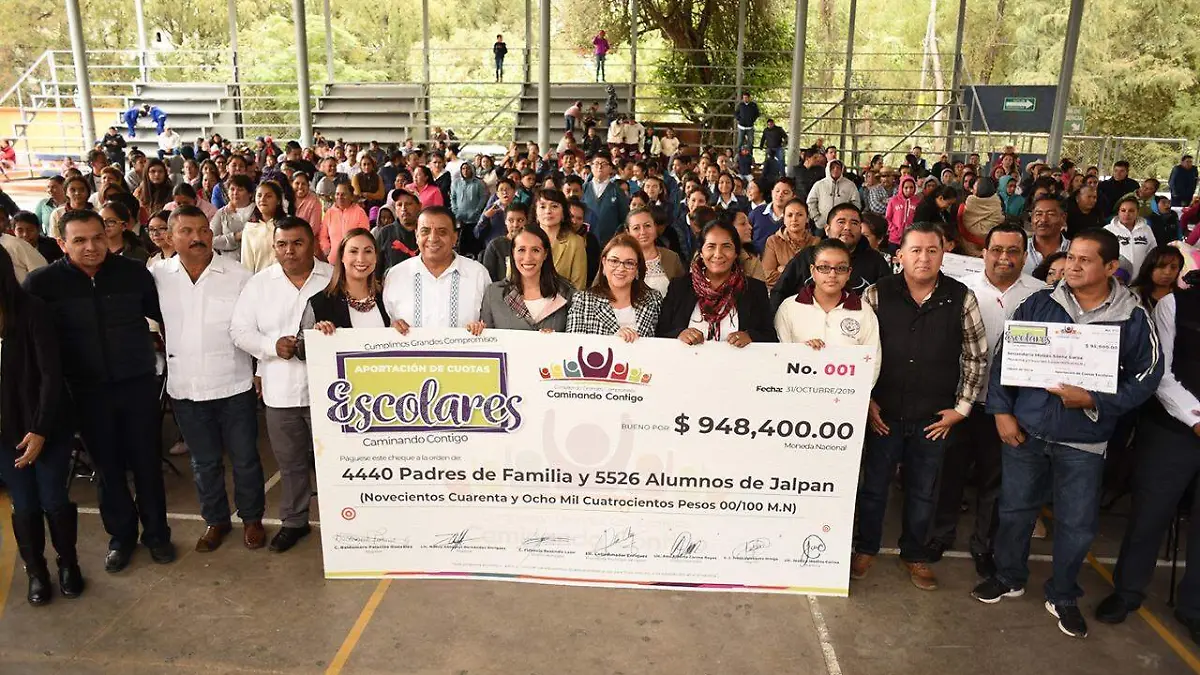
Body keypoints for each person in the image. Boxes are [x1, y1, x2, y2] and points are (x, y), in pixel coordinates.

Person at [974, 229, 1164, 639]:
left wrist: (1095, 399)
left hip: (1084, 440)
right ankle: (1008, 576)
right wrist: (1002, 412)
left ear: (1110, 267)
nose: (1072, 267)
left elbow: (1148, 377)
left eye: (1084, 260)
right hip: (1027, 430)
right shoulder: (1040, 303)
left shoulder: (1132, 316)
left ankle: (1062, 594)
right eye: (1071, 257)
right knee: (1015, 510)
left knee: (1077, 524)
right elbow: (1005, 358)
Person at [25, 209, 174, 572]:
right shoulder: (42, 284)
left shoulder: (133, 273)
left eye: (97, 237)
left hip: (137, 385)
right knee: (107, 468)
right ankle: (121, 537)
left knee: (147, 464)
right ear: (61, 243)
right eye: (79, 240)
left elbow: (164, 319)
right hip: (85, 392)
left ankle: (157, 535)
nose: (91, 246)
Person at [851, 221, 989, 591]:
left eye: (932, 250)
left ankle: (914, 553)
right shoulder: (877, 294)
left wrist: (962, 408)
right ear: (899, 255)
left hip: (934, 418)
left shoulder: (961, 297)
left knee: (923, 490)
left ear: (944, 254)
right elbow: (858, 351)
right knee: (874, 487)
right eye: (915, 250)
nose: (924, 258)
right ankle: (865, 548)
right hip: (882, 414)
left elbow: (976, 356)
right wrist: (866, 400)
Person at [927, 224, 1044, 578]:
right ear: (984, 252)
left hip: (1009, 409)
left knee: (995, 482)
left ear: (1024, 256)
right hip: (961, 402)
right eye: (997, 250)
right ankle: (940, 534)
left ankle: (984, 545)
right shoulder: (961, 290)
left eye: (1013, 251)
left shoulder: (1041, 295)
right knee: (949, 474)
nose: (1004, 258)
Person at [151, 206, 266, 553]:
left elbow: (256, 327)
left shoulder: (238, 275)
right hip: (186, 387)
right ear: (170, 237)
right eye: (186, 231)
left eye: (203, 230)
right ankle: (215, 521)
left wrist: (259, 371)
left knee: (245, 458)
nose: (198, 237)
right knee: (204, 463)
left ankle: (252, 519)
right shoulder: (157, 276)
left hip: (234, 384)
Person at [1094, 270, 1200, 642]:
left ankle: (1194, 608)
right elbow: (1162, 374)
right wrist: (1196, 419)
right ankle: (1127, 592)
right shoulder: (1175, 304)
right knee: (1150, 514)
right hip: (1174, 429)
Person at [230, 217, 333, 553]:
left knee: (335, 463)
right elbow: (239, 331)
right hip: (281, 390)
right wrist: (271, 346)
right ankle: (294, 522)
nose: (290, 251)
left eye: (297, 243)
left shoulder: (333, 277)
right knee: (291, 464)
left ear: (312, 243)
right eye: (282, 244)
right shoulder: (259, 284)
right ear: (274, 247)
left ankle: (342, 523)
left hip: (330, 393)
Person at [0, 244, 81, 606]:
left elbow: (51, 374)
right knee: (24, 503)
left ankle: (68, 564)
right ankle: (36, 571)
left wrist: (40, 430)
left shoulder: (32, 310)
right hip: (4, 433)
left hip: (44, 425)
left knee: (53, 498)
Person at [656, 217, 775, 347]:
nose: (718, 254)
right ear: (701, 252)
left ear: (736, 253)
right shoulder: (680, 287)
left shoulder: (754, 289)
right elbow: (660, 333)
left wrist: (751, 337)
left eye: (726, 247)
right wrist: (679, 334)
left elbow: (770, 337)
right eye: (711, 247)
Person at [773, 237, 881, 375]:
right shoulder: (789, 308)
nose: (832, 274)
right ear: (812, 270)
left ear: (849, 273)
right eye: (824, 267)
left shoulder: (864, 311)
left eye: (841, 268)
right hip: (798, 386)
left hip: (848, 388)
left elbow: (873, 362)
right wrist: (803, 352)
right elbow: (780, 357)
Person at [383, 207, 491, 331]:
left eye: (442, 232)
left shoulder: (478, 274)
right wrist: (393, 329)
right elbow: (388, 322)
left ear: (454, 237)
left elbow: (490, 323)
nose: (433, 238)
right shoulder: (396, 276)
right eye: (425, 231)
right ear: (417, 235)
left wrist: (481, 329)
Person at [771, 203, 893, 308]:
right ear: (827, 229)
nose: (847, 227)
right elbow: (779, 292)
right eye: (841, 222)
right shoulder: (807, 256)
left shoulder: (876, 261)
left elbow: (888, 300)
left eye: (854, 223)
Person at [297, 228, 391, 352]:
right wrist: (315, 336)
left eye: (368, 251)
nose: (361, 259)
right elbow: (300, 351)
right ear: (342, 256)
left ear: (376, 257)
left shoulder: (388, 297)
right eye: (353, 251)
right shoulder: (320, 303)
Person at [477, 225, 576, 332]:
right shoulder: (493, 293)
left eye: (535, 250)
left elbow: (576, 338)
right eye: (521, 250)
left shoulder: (566, 292)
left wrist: (556, 339)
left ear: (545, 254)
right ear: (513, 253)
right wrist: (476, 330)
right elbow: (487, 338)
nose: (528, 258)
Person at [566, 233, 661, 340]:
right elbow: (573, 344)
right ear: (604, 263)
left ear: (637, 268)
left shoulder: (653, 300)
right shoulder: (583, 300)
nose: (621, 268)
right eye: (614, 261)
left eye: (629, 263)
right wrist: (614, 339)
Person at [534, 189, 588, 291]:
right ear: (535, 213)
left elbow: (578, 286)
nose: (548, 211)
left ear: (563, 213)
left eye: (554, 206)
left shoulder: (576, 242)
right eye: (542, 207)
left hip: (563, 300)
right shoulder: (523, 239)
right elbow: (512, 278)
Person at [627, 207, 684, 297]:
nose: (643, 232)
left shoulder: (672, 257)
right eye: (636, 228)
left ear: (655, 227)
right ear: (628, 232)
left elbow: (683, 294)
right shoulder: (620, 259)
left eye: (647, 226)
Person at [761, 199, 811, 291]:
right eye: (789, 215)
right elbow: (768, 276)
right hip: (781, 293)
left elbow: (817, 277)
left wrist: (784, 270)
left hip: (808, 294)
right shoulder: (773, 241)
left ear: (807, 218)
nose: (794, 219)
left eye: (799, 215)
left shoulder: (816, 242)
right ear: (783, 219)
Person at [582, 155, 630, 245]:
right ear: (591, 167)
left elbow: (624, 218)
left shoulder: (617, 191)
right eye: (596, 163)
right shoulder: (583, 189)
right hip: (585, 241)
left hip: (611, 242)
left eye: (604, 164)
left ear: (610, 168)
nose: (600, 167)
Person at [1105, 195, 1158, 275]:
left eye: (1131, 211)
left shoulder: (1146, 229)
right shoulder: (1108, 230)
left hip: (1141, 277)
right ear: (1118, 212)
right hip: (1116, 277)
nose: (1127, 214)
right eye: (1123, 210)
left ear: (1137, 212)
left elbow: (1153, 252)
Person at [321, 182, 371, 265]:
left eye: (343, 194)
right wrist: (326, 249)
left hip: (354, 261)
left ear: (351, 197)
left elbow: (364, 236)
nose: (340, 197)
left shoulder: (360, 212)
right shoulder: (329, 213)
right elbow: (323, 235)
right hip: (333, 261)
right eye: (337, 194)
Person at [242, 181, 287, 274]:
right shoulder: (250, 227)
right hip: (259, 280)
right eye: (259, 196)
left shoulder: (288, 224)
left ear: (278, 200)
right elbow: (247, 263)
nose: (262, 199)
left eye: (268, 196)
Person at [374, 190, 421, 276]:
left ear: (419, 206)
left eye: (408, 204)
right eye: (399, 205)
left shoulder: (427, 232)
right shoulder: (385, 233)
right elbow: (376, 267)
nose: (404, 208)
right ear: (395, 209)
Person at [806, 160, 862, 232]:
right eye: (832, 168)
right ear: (828, 169)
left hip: (842, 225)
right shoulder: (819, 184)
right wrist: (816, 217)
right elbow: (811, 202)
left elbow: (856, 204)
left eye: (838, 168)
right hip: (822, 224)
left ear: (842, 169)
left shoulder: (850, 185)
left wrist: (850, 219)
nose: (835, 170)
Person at [210, 174, 256, 263]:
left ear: (250, 193)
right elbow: (210, 240)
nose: (235, 193)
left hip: (255, 262)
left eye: (240, 190)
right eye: (232, 189)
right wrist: (235, 237)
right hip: (228, 263)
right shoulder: (222, 213)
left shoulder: (258, 212)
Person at [956, 178, 1005, 257]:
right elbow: (999, 219)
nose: (973, 187)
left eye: (975, 185)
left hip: (969, 246)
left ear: (980, 188)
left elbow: (961, 223)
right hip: (992, 245)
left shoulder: (969, 201)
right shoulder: (996, 201)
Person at [1129, 245, 1184, 309]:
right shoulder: (1132, 295)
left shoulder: (1183, 297)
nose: (1167, 272)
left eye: (1173, 267)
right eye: (1162, 266)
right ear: (1150, 268)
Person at [749, 178, 796, 253]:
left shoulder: (795, 218)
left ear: (793, 196)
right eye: (777, 191)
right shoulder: (756, 213)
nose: (780, 194)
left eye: (785, 193)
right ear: (772, 192)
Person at [884, 175, 919, 251]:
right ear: (901, 188)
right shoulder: (893, 200)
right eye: (906, 188)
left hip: (910, 238)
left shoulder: (917, 202)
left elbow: (918, 220)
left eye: (911, 187)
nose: (909, 190)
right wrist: (894, 230)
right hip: (894, 238)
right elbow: (887, 218)